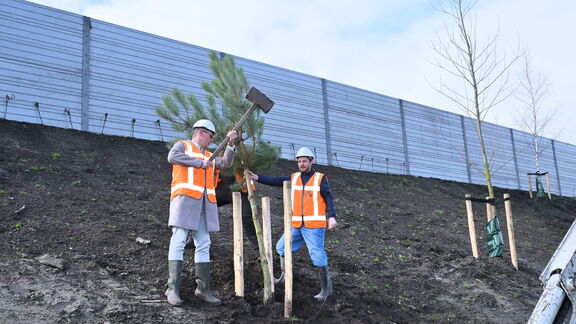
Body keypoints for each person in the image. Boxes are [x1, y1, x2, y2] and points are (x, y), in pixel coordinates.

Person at [247, 146, 337, 301]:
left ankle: (326, 289)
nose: (301, 164)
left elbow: (328, 197)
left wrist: (332, 217)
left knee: (317, 255)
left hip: (314, 226)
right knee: (281, 247)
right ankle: (284, 278)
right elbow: (276, 181)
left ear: (311, 161)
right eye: (299, 161)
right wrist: (257, 177)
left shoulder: (320, 178)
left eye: (304, 161)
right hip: (296, 225)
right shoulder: (294, 177)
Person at [165, 119, 238, 307]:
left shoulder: (210, 156)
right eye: (211, 137)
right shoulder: (183, 145)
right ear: (200, 132)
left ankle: (203, 289)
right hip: (185, 201)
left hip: (205, 204)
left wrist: (230, 145)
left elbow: (226, 163)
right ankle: (172, 289)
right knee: (179, 240)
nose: (212, 141)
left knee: (204, 243)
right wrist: (199, 163)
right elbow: (172, 157)